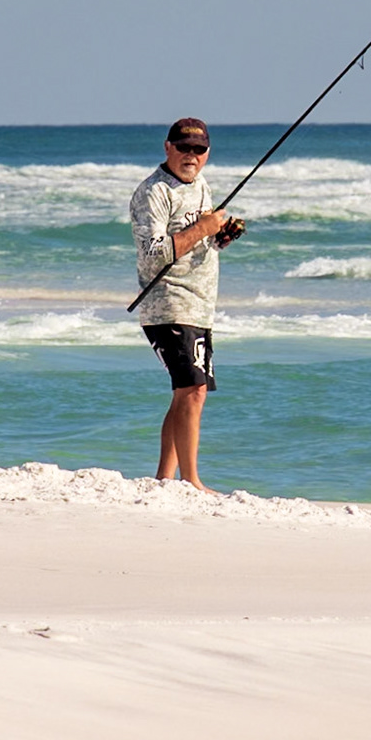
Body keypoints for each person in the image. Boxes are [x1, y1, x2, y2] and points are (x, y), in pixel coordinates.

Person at [129, 118, 240, 491]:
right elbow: (152, 255)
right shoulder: (154, 193)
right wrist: (201, 230)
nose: (191, 156)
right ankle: (191, 481)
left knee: (187, 392)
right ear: (167, 147)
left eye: (199, 149)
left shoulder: (201, 186)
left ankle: (165, 478)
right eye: (183, 147)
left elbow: (197, 241)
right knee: (192, 391)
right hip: (168, 304)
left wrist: (218, 237)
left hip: (199, 304)